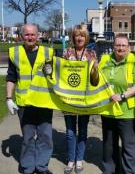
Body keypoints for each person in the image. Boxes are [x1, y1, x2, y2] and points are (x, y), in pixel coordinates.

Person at [6, 23, 54, 174]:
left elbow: (58, 75)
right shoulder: (15, 53)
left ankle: (41, 167)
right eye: (26, 34)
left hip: (44, 102)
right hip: (24, 103)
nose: (30, 37)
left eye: (33, 34)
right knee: (27, 138)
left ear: (38, 35)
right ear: (21, 36)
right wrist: (8, 98)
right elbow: (11, 77)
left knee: (45, 136)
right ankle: (27, 166)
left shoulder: (49, 52)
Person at [99, 33, 135, 174]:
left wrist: (122, 96)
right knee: (109, 145)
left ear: (129, 47)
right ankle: (110, 170)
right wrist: (92, 66)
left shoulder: (133, 61)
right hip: (108, 110)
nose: (120, 48)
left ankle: (129, 171)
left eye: (124, 45)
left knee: (128, 146)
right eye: (118, 45)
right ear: (113, 46)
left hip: (126, 112)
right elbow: (96, 79)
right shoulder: (105, 59)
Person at [62, 25, 98, 174]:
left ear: (86, 37)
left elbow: (95, 79)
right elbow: (61, 74)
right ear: (73, 37)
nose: (79, 38)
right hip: (69, 99)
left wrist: (95, 68)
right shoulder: (66, 52)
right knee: (70, 131)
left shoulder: (91, 53)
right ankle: (71, 159)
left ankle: (79, 158)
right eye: (77, 35)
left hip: (85, 99)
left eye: (82, 35)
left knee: (82, 129)